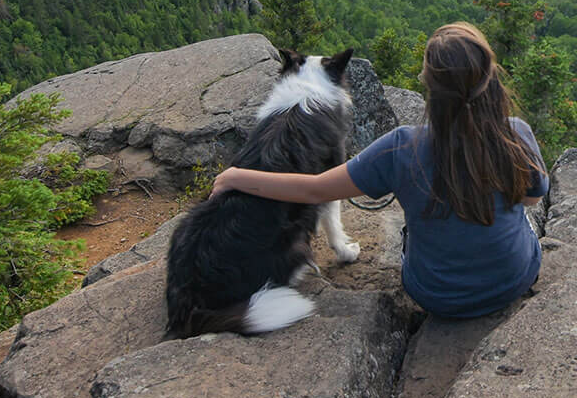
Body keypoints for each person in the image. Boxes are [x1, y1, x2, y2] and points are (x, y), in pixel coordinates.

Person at [207, 22, 548, 319]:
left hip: (437, 296)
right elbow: (532, 200)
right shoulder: (516, 133)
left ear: (427, 83)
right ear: (490, 75)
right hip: (514, 279)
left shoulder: (401, 147)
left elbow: (314, 190)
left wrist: (237, 176)